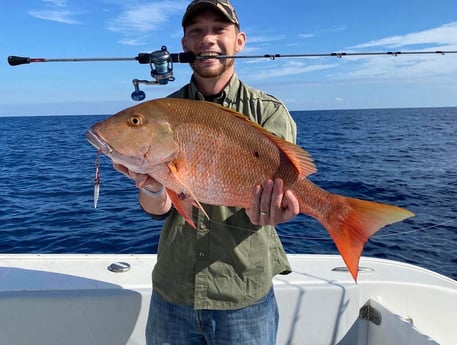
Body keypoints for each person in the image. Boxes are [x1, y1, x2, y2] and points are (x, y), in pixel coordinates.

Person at [114, 1, 300, 344]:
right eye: (196, 31)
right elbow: (160, 209)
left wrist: (276, 211)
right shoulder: (164, 115)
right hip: (174, 292)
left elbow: (283, 190)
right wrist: (153, 189)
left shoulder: (268, 113)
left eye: (219, 29)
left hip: (243, 295)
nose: (207, 39)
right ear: (184, 44)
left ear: (239, 41)